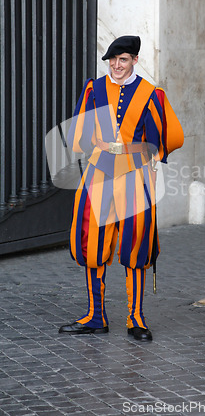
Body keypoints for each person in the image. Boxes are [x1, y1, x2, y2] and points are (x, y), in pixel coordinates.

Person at [59, 35, 184, 341]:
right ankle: (95, 315)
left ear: (135, 61)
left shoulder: (150, 94)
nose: (116, 65)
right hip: (99, 173)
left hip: (134, 176)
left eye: (123, 59)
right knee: (92, 243)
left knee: (136, 243)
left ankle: (136, 317)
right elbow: (80, 131)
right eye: (112, 60)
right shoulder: (95, 88)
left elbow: (170, 136)